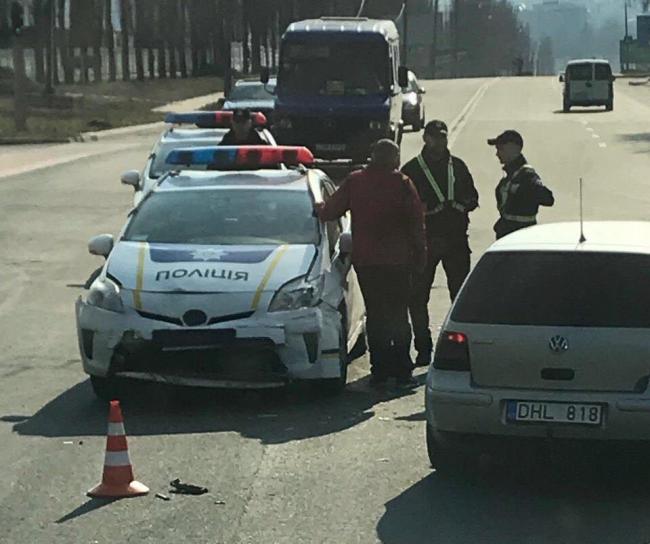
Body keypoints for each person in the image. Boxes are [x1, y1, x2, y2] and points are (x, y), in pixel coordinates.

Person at [314, 139, 426, 389]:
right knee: (398, 315)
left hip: (368, 262)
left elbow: (330, 211)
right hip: (398, 263)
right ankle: (402, 370)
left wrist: (319, 207)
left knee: (375, 316)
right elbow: (416, 224)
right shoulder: (403, 184)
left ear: (373, 156)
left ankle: (380, 371)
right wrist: (420, 258)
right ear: (394, 159)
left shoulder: (356, 181)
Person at [401, 120, 479, 367]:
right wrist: (425, 210)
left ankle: (460, 349)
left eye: (443, 137)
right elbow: (402, 205)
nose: (441, 141)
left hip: (456, 240)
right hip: (425, 241)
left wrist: (461, 205)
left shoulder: (457, 166)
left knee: (461, 297)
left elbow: (473, 197)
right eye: (435, 137)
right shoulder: (412, 169)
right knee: (417, 297)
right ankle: (423, 348)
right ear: (426, 138)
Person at [488, 130, 554, 240]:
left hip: (520, 237)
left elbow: (548, 199)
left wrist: (522, 190)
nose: (497, 154)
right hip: (507, 235)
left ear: (512, 149)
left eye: (500, 149)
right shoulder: (511, 175)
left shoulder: (526, 175)